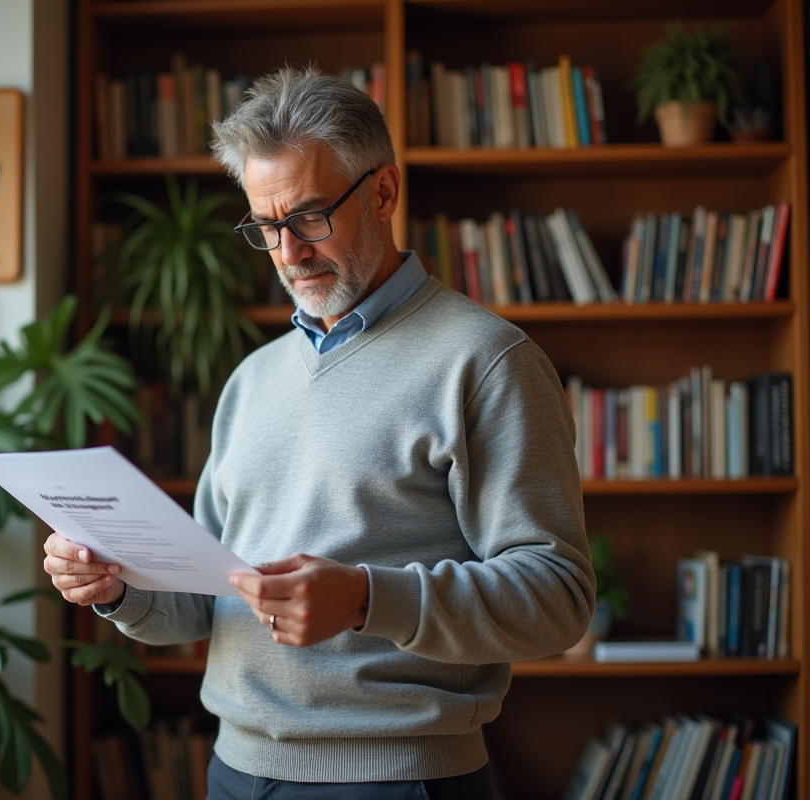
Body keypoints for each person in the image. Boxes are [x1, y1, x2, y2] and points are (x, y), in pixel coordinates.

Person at [44, 66, 594, 799]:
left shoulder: (486, 361)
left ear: (384, 192)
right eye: (266, 227)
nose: (288, 253)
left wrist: (367, 599)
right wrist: (116, 585)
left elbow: (559, 599)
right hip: (236, 772)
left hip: (396, 779)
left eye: (309, 218)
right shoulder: (253, 378)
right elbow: (201, 601)